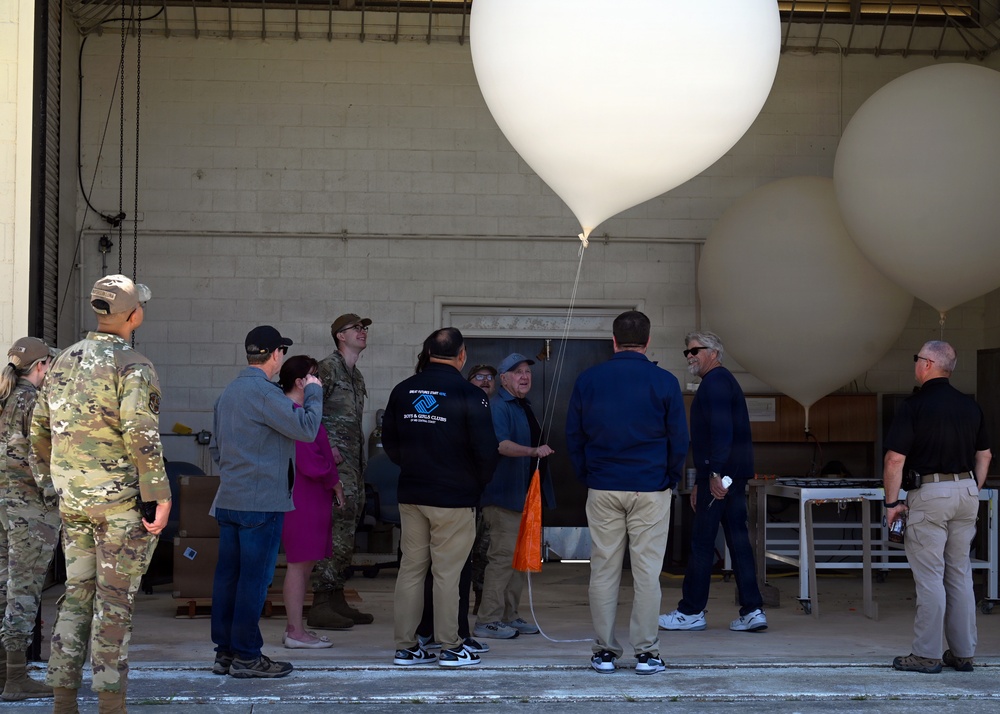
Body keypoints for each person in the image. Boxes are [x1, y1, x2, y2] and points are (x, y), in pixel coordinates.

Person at [30, 275, 173, 714]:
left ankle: (63, 703)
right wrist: (159, 495)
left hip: (74, 502)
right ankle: (111, 707)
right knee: (113, 603)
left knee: (76, 595)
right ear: (134, 315)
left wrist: (57, 483)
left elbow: (38, 431)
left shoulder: (62, 360)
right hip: (119, 507)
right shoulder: (133, 364)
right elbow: (141, 433)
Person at [566, 310, 689, 674]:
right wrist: (669, 478)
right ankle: (647, 653)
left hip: (604, 484)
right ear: (648, 342)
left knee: (604, 571)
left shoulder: (588, 380)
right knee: (647, 573)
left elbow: (574, 435)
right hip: (650, 486)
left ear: (614, 341)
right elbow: (679, 439)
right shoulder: (664, 381)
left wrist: (589, 475)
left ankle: (604, 651)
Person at [209, 326, 323, 679]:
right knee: (254, 582)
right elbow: (306, 428)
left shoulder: (228, 392)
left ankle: (226, 652)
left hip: (229, 498)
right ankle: (246, 656)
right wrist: (314, 392)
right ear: (276, 354)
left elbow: (215, 448)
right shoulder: (264, 393)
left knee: (228, 579)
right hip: (260, 503)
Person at [382, 328, 499, 668]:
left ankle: (406, 647)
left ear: (428, 351)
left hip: (412, 493)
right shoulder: (470, 394)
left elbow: (390, 443)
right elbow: (486, 450)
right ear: (462, 355)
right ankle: (451, 646)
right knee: (448, 573)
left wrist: (415, 466)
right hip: (453, 497)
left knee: (411, 570)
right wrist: (475, 484)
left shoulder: (403, 390)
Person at [885, 341, 991, 674]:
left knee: (930, 576)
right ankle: (963, 653)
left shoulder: (913, 406)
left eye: (917, 359)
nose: (915, 364)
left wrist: (891, 503)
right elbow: (985, 455)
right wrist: (972, 488)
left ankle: (926, 654)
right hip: (967, 492)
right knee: (959, 573)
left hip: (930, 494)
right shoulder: (970, 406)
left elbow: (894, 459)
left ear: (928, 364)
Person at [660, 331, 767, 634]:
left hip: (721, 477)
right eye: (687, 352)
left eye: (695, 350)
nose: (689, 356)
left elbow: (721, 431)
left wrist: (714, 475)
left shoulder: (715, 383)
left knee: (702, 542)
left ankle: (691, 611)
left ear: (714, 353)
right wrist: (705, 478)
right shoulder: (722, 382)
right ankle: (752, 610)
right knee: (738, 541)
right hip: (730, 475)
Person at [474, 353, 555, 640]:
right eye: (517, 372)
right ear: (504, 378)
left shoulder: (523, 406)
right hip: (503, 495)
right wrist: (532, 451)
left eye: (527, 372)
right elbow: (501, 445)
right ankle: (488, 620)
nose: (524, 376)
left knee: (520, 560)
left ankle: (510, 615)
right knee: (502, 558)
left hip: (524, 496)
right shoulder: (498, 406)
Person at [1, 337, 59, 701]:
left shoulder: (4, 398)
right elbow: (44, 460)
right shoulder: (34, 402)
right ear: (41, 367)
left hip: (4, 507)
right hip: (29, 512)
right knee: (23, 591)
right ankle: (16, 678)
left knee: (4, 587)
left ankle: (3, 673)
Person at [309, 313, 372, 630]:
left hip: (353, 466)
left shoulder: (356, 376)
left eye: (364, 328)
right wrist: (326, 446)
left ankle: (335, 597)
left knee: (347, 529)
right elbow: (306, 411)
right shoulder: (326, 369)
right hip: (333, 465)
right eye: (356, 328)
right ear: (340, 335)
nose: (362, 332)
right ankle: (320, 602)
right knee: (333, 529)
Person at [278, 355, 345, 650]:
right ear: (299, 382)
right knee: (299, 566)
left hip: (310, 496)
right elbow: (309, 460)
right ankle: (295, 631)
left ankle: (296, 628)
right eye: (314, 376)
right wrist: (334, 480)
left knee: (304, 566)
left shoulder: (300, 412)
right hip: (303, 497)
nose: (320, 381)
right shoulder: (294, 414)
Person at [466, 364, 497, 613]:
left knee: (485, 548)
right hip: (465, 489)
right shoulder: (462, 408)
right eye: (479, 377)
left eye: (489, 377)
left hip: (491, 492)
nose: (485, 381)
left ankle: (481, 598)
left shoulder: (497, 410)